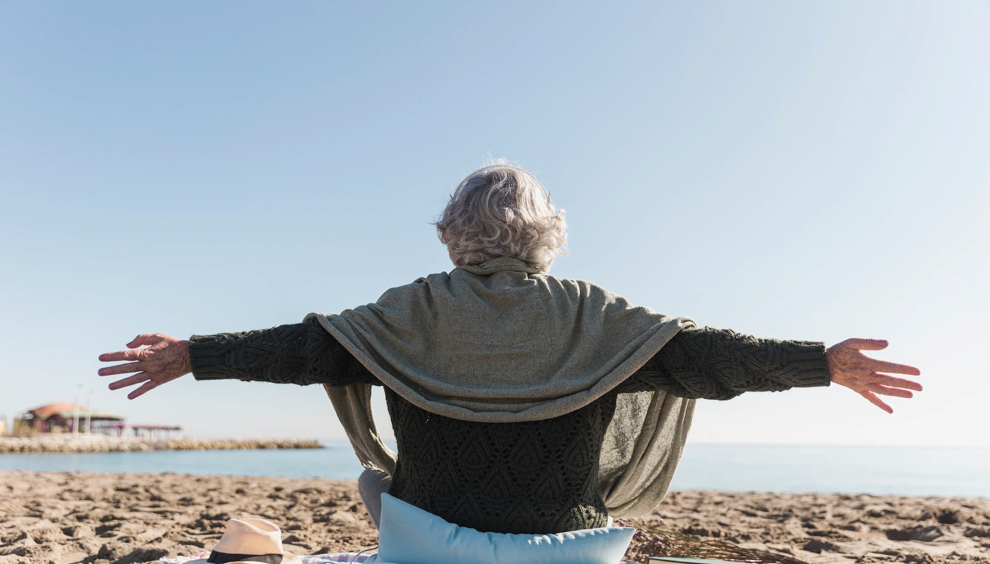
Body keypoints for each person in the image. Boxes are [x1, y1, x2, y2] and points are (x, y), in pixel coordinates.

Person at [97, 163, 921, 535]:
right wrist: (823, 363)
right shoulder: (599, 317)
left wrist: (193, 354)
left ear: (454, 234)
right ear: (550, 235)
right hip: (573, 542)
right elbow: (710, 357)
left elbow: (305, 350)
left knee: (371, 477)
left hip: (427, 541)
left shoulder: (407, 312)